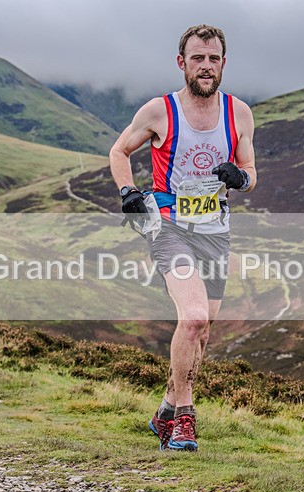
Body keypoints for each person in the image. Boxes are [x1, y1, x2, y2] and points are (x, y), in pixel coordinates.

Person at [110, 24, 256, 451]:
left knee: (203, 329)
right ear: (182, 64)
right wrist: (127, 192)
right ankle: (185, 420)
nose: (206, 66)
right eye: (198, 58)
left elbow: (250, 174)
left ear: (223, 64)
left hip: (216, 231)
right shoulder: (160, 111)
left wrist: (240, 177)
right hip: (169, 227)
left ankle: (164, 411)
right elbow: (120, 151)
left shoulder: (240, 113)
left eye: (213, 59)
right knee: (191, 317)